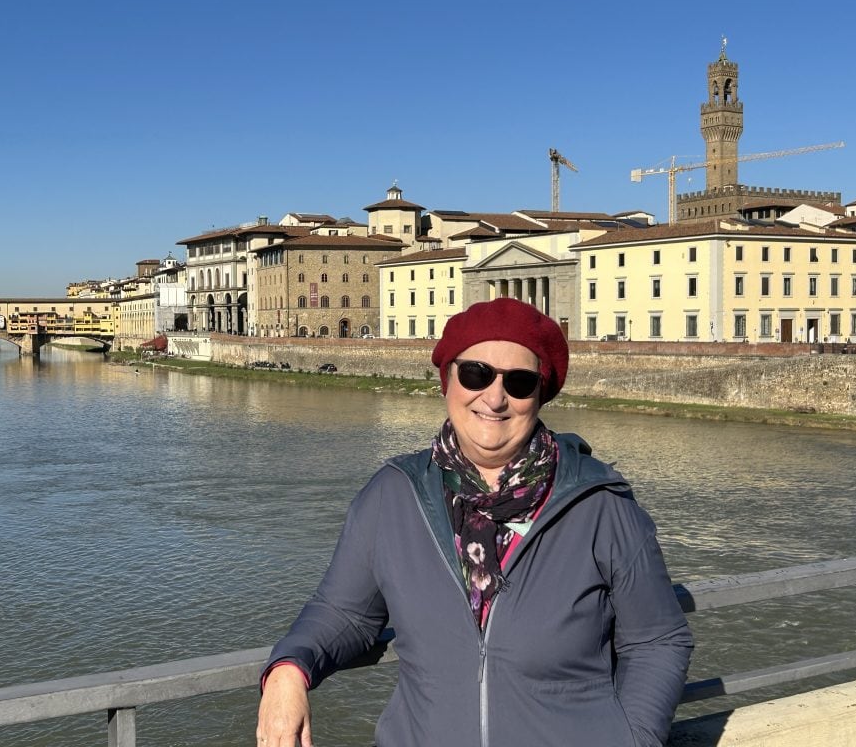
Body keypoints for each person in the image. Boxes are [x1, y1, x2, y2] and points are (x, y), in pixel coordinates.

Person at [257, 298, 693, 747]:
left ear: (540, 395)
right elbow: (342, 612)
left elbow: (658, 641)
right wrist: (288, 670)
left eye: (520, 382)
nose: (495, 398)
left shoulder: (600, 504)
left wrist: (635, 740)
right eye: (476, 374)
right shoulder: (392, 496)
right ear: (447, 379)